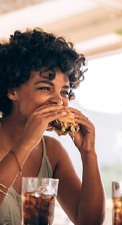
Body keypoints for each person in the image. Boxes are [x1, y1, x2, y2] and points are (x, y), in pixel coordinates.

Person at [0, 28, 105, 225]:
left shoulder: (53, 152)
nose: (58, 101)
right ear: (12, 90)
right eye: (45, 88)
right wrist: (26, 143)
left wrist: (88, 153)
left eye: (64, 92)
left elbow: (89, 222)